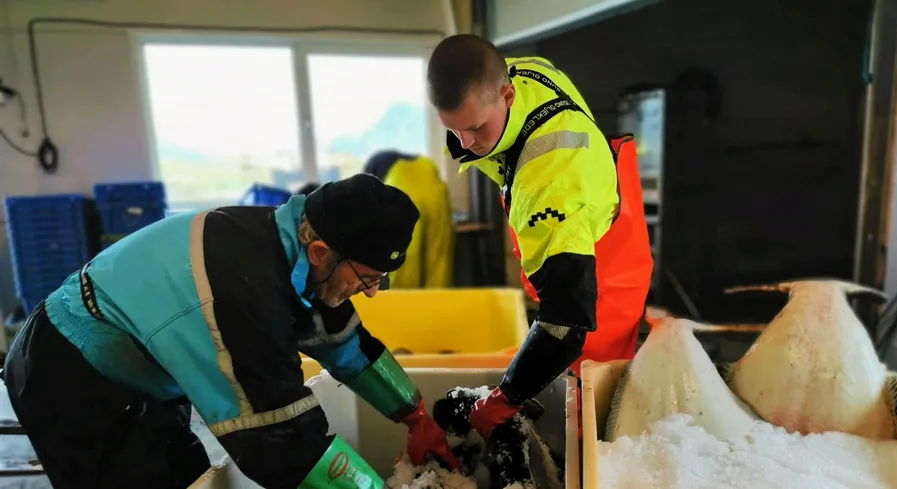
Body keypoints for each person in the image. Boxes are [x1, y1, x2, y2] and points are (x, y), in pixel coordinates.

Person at [2, 174, 460, 489]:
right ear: (321, 251)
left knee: (186, 472)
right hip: (67, 370)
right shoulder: (243, 292)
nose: (372, 293)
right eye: (365, 280)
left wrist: (415, 417)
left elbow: (341, 339)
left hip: (142, 371)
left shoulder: (292, 251)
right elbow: (280, 443)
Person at [426, 35, 653, 438]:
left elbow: (566, 324)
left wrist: (505, 398)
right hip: (582, 209)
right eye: (453, 130)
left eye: (476, 128)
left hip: (604, 270)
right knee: (553, 364)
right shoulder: (517, 72)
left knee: (592, 399)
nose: (466, 145)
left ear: (508, 95)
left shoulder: (553, 186)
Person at [363, 150, 455, 289]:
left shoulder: (371, 171)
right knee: (439, 258)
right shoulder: (418, 161)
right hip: (434, 187)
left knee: (406, 260)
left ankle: (405, 307)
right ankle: (437, 307)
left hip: (403, 187)